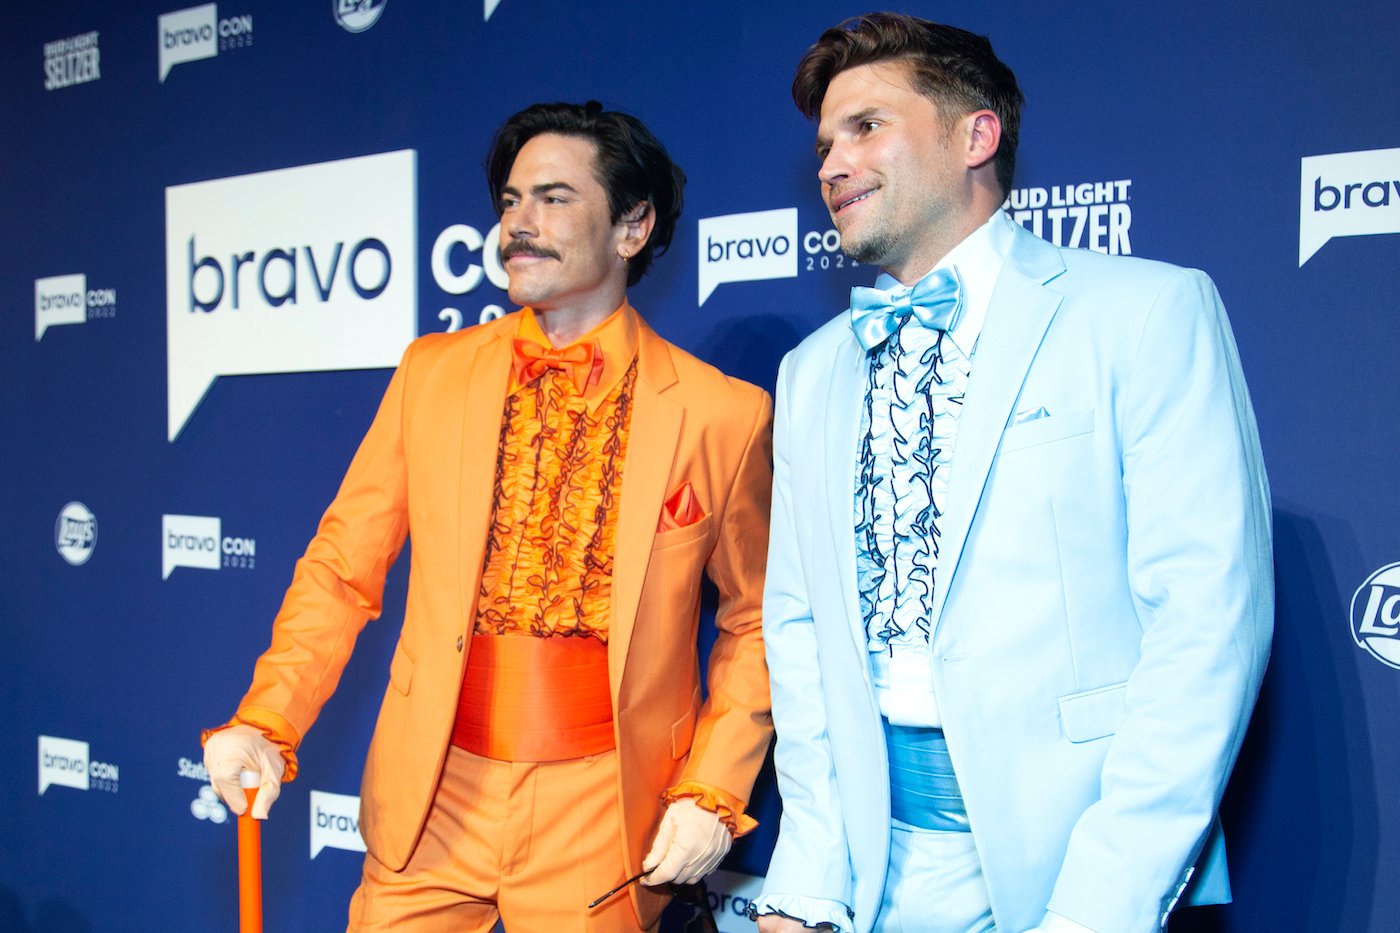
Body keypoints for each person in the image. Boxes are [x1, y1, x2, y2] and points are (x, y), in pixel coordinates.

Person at [752, 13, 1272, 933]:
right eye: (825, 144)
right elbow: (799, 636)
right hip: (869, 870)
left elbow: (1206, 625)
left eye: (866, 127)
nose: (833, 164)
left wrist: (1100, 905)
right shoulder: (811, 370)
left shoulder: (1146, 312)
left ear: (976, 136)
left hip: (1078, 865)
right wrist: (805, 882)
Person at [202, 100, 774, 932]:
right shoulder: (431, 374)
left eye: (554, 198)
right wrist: (268, 715)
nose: (519, 224)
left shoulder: (723, 414)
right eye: (510, 201)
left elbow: (756, 620)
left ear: (633, 226)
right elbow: (342, 567)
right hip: (431, 796)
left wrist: (714, 783)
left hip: (603, 816)